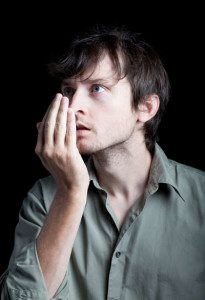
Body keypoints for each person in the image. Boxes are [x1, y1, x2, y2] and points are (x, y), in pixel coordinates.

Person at [0, 25, 204, 300]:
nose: (72, 107)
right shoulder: (45, 199)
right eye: (69, 90)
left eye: (97, 88)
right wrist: (71, 193)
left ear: (146, 107)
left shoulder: (201, 196)